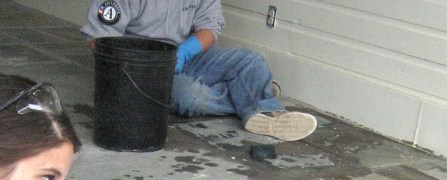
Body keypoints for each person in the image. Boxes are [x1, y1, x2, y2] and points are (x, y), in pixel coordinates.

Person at [81, 0, 317, 141]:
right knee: (189, 96)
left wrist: (185, 51)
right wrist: (139, 66)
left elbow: (211, 26)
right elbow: (98, 38)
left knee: (250, 61)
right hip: (142, 68)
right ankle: (249, 96)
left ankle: (268, 114)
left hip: (183, 55)